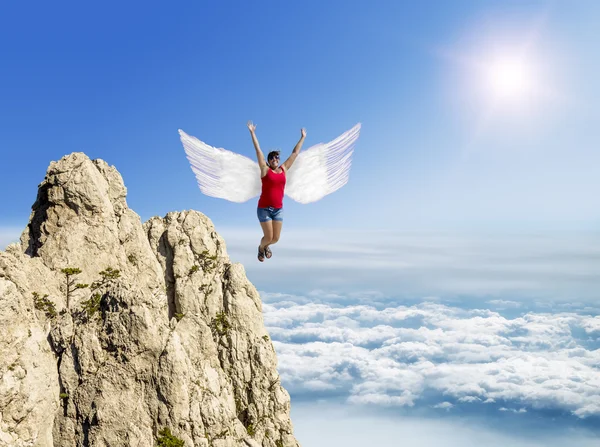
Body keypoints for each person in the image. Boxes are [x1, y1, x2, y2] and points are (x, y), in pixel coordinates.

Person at [247, 120, 306, 262]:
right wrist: (252, 133)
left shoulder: (284, 169)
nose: (275, 159)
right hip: (264, 209)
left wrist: (303, 137)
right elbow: (258, 150)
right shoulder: (265, 170)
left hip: (278, 209)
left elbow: (295, 153)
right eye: (272, 158)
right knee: (268, 237)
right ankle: (261, 248)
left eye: (277, 157)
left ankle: (266, 246)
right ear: (268, 161)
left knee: (275, 239)